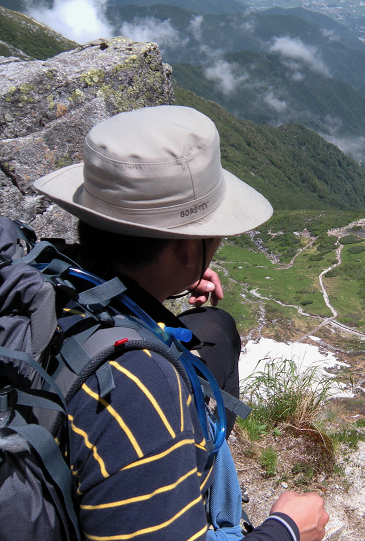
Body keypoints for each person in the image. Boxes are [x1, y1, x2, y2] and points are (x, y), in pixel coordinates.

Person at [33, 105, 329, 541]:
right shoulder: (137, 394)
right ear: (189, 250)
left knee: (213, 327)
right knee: (214, 332)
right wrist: (286, 530)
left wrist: (160, 295)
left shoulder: (41, 274)